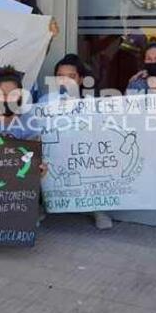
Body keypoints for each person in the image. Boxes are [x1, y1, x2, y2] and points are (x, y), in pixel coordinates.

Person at [38, 54, 114, 230]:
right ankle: (40, 206)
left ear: (80, 79)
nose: (64, 81)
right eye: (60, 76)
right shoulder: (44, 102)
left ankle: (98, 209)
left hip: (82, 153)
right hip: (54, 154)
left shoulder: (90, 103)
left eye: (71, 76)